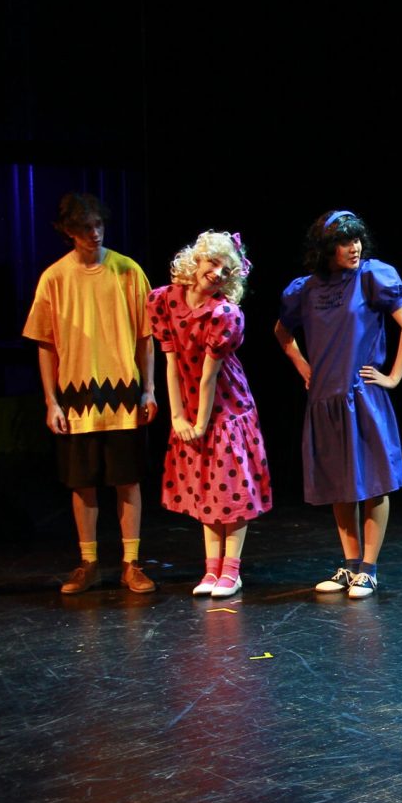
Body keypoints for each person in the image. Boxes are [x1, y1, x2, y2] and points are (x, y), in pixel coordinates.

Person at [274, 209, 402, 599]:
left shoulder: (372, 277)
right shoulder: (305, 290)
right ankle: (351, 564)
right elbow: (282, 332)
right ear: (326, 249)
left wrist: (393, 377)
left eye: (356, 239)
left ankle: (369, 570)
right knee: (340, 485)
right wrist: (304, 367)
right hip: (325, 398)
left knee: (373, 483)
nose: (353, 248)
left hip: (363, 396)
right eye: (343, 242)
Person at [23, 192, 159, 594]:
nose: (94, 233)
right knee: (83, 483)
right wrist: (51, 401)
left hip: (123, 394)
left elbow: (146, 336)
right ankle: (89, 562)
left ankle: (131, 563)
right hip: (77, 396)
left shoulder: (128, 271)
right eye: (84, 227)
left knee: (127, 480)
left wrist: (149, 389)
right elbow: (45, 343)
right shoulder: (54, 278)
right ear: (69, 231)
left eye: (98, 224)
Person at [148, 230, 274, 598]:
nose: (218, 273)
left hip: (228, 409)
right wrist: (177, 416)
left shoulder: (223, 313)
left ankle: (231, 570)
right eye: (213, 263)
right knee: (207, 487)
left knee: (231, 489)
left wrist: (201, 422)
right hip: (191, 406)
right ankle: (211, 568)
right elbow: (170, 363)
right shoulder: (164, 300)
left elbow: (209, 374)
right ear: (197, 260)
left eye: (226, 270)